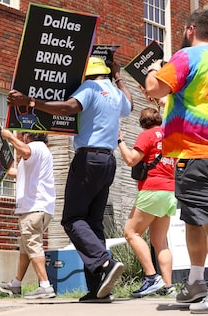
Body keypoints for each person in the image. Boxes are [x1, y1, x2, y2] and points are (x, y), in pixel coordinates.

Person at [7, 55, 132, 302]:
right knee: (93, 223)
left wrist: (31, 102)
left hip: (88, 159)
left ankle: (105, 263)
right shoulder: (115, 92)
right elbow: (129, 103)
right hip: (109, 161)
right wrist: (118, 76)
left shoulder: (90, 88)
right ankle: (98, 290)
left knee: (73, 219)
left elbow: (68, 107)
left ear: (87, 75)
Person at [143, 7, 208, 314]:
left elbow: (152, 87)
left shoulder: (186, 57)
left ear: (190, 31)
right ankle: (197, 283)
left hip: (197, 148)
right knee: (193, 217)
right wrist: (168, 101)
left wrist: (152, 69)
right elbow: (199, 99)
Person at [116, 107, 177, 298]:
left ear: (143, 123)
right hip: (169, 191)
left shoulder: (147, 135)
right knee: (160, 242)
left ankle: (152, 277)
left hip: (152, 189)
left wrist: (120, 141)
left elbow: (131, 160)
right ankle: (168, 286)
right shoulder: (169, 135)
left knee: (131, 232)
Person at [0, 129, 56, 299]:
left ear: (27, 136)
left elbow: (25, 150)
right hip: (41, 207)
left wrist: (9, 137)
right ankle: (16, 284)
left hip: (33, 208)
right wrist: (3, 168)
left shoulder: (35, 147)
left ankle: (45, 285)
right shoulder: (42, 151)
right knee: (26, 247)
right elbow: (19, 173)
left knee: (33, 244)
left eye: (22, 135)